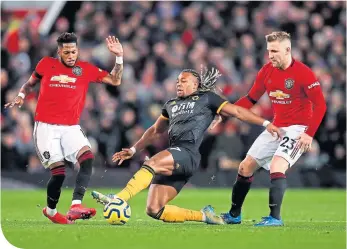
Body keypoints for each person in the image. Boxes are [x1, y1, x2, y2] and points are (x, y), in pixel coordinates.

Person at [91, 67, 281, 225]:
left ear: (195, 84)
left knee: (153, 163)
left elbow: (238, 111)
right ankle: (204, 216)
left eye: (183, 81)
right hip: (176, 158)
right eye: (177, 81)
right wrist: (133, 149)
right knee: (154, 209)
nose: (178, 84)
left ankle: (119, 198)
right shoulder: (170, 104)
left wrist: (265, 123)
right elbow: (155, 130)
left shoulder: (208, 98)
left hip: (187, 153)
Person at [4, 32, 124, 224]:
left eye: (74, 52)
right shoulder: (46, 64)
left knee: (87, 158)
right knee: (59, 173)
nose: (70, 56)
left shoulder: (85, 69)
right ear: (59, 51)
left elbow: (115, 80)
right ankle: (51, 212)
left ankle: (76, 205)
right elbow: (29, 84)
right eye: (66, 52)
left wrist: (118, 57)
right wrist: (20, 95)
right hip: (45, 127)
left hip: (70, 127)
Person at [218, 31, 327, 226]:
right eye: (269, 51)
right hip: (277, 127)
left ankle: (275, 218)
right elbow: (251, 99)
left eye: (275, 51)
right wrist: (225, 112)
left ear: (288, 50)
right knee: (245, 167)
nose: (271, 56)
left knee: (277, 166)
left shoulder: (304, 73)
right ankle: (234, 215)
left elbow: (320, 105)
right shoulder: (266, 71)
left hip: (298, 129)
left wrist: (309, 134)